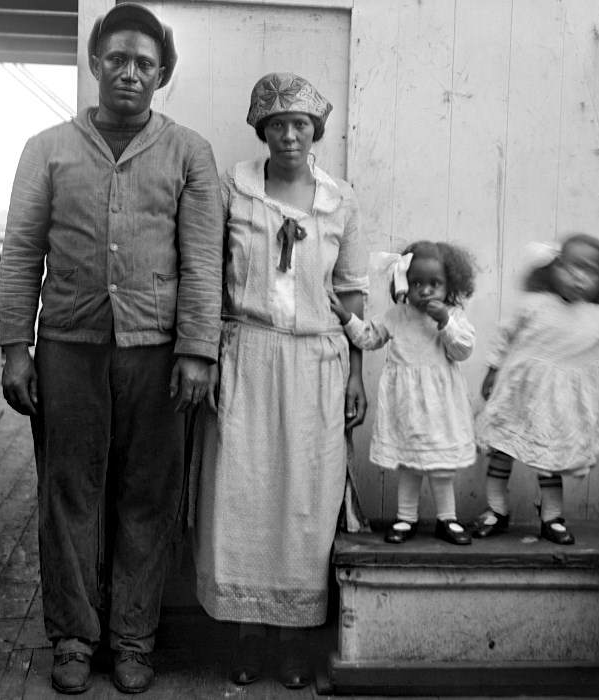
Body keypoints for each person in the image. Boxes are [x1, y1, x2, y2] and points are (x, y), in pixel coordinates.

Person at [0, 3, 221, 694]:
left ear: (163, 75)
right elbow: (21, 250)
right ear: (95, 63)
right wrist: (14, 346)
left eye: (144, 64)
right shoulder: (47, 149)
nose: (129, 73)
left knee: (148, 495)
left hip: (158, 356)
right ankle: (72, 636)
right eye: (117, 59)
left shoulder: (190, 153)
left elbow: (203, 258)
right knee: (69, 491)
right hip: (68, 346)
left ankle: (132, 639)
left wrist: (196, 350)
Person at [192, 72, 367, 689]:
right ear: (262, 131)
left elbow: (350, 295)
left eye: (300, 125)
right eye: (277, 125)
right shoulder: (233, 192)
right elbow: (209, 280)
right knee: (242, 494)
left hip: (318, 364)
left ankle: (295, 642)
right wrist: (208, 358)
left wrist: (356, 376)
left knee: (303, 501)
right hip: (247, 354)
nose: (289, 135)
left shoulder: (339, 200)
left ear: (315, 131)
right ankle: (247, 636)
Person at [472, 234, 599, 545]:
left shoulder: (598, 316)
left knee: (551, 460)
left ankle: (551, 517)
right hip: (518, 394)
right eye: (569, 267)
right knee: (501, 450)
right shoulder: (534, 305)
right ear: (553, 269)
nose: (577, 276)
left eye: (589, 271)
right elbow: (504, 336)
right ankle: (496, 509)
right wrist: (492, 370)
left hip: (560, 403)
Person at [329, 241, 479, 546]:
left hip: (440, 407)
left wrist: (445, 322)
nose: (425, 291)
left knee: (440, 466)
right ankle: (405, 518)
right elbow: (369, 337)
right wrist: (347, 317)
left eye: (434, 284)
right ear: (404, 284)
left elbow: (462, 349)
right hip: (406, 406)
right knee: (409, 465)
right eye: (417, 283)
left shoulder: (452, 316)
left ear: (449, 285)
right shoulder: (398, 315)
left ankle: (447, 519)